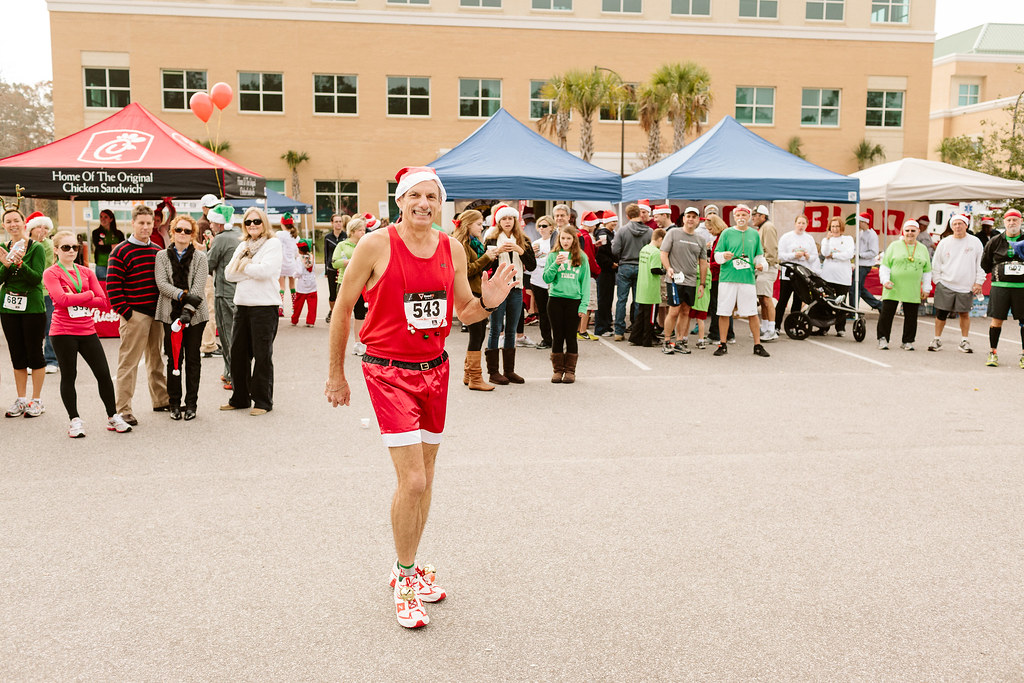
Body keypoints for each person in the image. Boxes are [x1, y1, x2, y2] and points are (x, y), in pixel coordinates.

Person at [324, 166, 516, 629]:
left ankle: (404, 566)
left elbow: (464, 311)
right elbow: (343, 306)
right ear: (400, 201)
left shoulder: (450, 246)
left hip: (435, 371)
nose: (424, 203)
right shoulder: (375, 244)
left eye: (432, 196)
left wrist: (488, 302)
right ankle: (406, 578)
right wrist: (336, 373)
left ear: (440, 202)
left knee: (426, 479)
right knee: (411, 481)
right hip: (388, 372)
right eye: (415, 196)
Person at [42, 230, 133, 436]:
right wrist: (88, 293)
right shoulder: (51, 273)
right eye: (66, 247)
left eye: (74, 247)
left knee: (103, 374)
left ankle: (113, 416)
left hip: (87, 330)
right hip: (63, 331)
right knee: (69, 375)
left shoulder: (86, 272)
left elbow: (102, 301)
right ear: (56, 250)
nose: (71, 251)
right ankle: (74, 420)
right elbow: (61, 300)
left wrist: (79, 296)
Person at [106, 204, 170, 426]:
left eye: (149, 223)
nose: (145, 227)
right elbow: (113, 287)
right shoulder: (121, 251)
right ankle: (123, 409)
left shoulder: (156, 251)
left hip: (156, 314)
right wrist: (127, 313)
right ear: (132, 223)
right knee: (129, 363)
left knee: (156, 360)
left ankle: (161, 400)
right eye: (141, 223)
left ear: (154, 225)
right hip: (135, 314)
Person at [220, 208, 282, 416]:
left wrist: (244, 267)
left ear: (264, 222)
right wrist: (250, 268)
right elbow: (229, 274)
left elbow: (266, 271)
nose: (252, 225)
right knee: (237, 354)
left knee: (262, 355)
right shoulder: (242, 245)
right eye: (248, 222)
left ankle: (263, 401)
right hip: (243, 306)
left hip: (265, 307)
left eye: (256, 221)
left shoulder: (272, 244)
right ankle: (240, 398)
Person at [155, 215, 209, 421]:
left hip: (195, 316)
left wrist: (187, 310)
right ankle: (174, 403)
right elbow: (162, 284)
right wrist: (183, 295)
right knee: (174, 359)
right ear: (172, 232)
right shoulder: (161, 256)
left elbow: (198, 286)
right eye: (179, 230)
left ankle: (192, 403)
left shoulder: (200, 257)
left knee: (193, 359)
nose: (183, 234)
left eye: (187, 231)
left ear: (192, 234)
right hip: (170, 315)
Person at [1, 207, 48, 417]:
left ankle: (36, 400)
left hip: (33, 307)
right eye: (8, 221)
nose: (13, 225)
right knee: (16, 354)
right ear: (4, 226)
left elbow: (36, 278)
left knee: (34, 353)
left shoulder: (35, 248)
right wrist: (6, 264)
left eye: (16, 221)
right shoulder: (3, 247)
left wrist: (18, 262)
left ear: (23, 223)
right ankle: (21, 399)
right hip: (9, 307)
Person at [483, 203, 536, 385]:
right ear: (498, 221)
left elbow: (532, 265)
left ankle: (509, 371)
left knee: (512, 330)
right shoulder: (490, 239)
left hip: (516, 288)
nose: (507, 221)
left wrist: (519, 250)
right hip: (497, 288)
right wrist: (496, 252)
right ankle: (493, 372)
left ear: (515, 221)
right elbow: (484, 266)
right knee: (496, 329)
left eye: (510, 218)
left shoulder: (523, 240)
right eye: (504, 218)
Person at [712, 204, 770, 358]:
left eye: (744, 215)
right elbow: (716, 255)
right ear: (734, 217)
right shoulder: (726, 233)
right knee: (724, 312)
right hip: (728, 278)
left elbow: (760, 257)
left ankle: (757, 345)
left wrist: (762, 266)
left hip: (747, 279)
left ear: (749, 217)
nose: (741, 218)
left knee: (752, 312)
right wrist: (723, 255)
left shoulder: (754, 234)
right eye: (738, 216)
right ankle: (722, 344)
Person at [452, 209, 497, 391]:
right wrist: (486, 257)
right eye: (479, 224)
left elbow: (478, 269)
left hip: (477, 291)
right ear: (468, 225)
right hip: (468, 294)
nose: (482, 226)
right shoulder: (461, 244)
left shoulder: (474, 243)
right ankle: (475, 378)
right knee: (477, 334)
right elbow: (466, 271)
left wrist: (489, 259)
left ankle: (469, 374)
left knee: (478, 333)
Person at [928, 213, 984, 354]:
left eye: (960, 224)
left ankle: (964, 341)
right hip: (945, 284)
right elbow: (936, 263)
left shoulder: (975, 242)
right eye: (955, 224)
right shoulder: (945, 242)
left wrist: (978, 282)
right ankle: (936, 339)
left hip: (966, 286)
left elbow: (981, 264)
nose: (957, 226)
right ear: (951, 226)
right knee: (941, 314)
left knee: (964, 314)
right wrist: (938, 281)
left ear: (966, 225)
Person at [876, 220, 932, 350]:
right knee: (887, 313)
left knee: (911, 316)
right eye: (907, 230)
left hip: (912, 288)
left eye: (913, 231)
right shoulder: (894, 246)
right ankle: (883, 338)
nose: (910, 233)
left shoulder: (922, 249)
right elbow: (885, 266)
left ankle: (908, 341)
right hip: (893, 286)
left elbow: (927, 271)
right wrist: (885, 280)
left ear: (918, 232)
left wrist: (926, 288)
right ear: (903, 231)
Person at [544, 225, 590, 382]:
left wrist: (583, 305)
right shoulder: (553, 256)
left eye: (568, 238)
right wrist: (556, 263)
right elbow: (546, 279)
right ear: (559, 239)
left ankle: (570, 371)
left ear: (574, 240)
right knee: (557, 336)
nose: (565, 241)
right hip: (555, 300)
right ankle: (557, 370)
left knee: (571, 336)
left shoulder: (582, 258)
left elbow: (585, 284)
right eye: (562, 238)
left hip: (574, 301)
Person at [660, 207, 708, 354]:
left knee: (686, 311)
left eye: (694, 216)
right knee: (674, 310)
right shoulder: (673, 233)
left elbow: (703, 263)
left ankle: (680, 341)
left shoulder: (700, 239)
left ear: (698, 220)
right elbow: (663, 253)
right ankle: (667, 341)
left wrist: (702, 284)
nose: (691, 219)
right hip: (674, 280)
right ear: (683, 218)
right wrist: (668, 268)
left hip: (691, 281)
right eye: (688, 216)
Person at [981, 208, 1024, 367]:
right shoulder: (995, 241)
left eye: (1015, 220)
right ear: (1004, 222)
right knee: (996, 321)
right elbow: (985, 263)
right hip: (1000, 287)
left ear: (1020, 221)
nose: (1012, 223)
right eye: (1009, 220)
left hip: (1022, 288)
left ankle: (1023, 356)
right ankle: (993, 353)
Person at [206, 205, 240, 391]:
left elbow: (209, 262)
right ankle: (229, 371)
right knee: (233, 334)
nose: (210, 224)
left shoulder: (221, 239)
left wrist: (206, 249)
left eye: (212, 221)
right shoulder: (237, 234)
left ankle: (234, 376)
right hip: (236, 292)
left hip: (224, 292)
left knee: (228, 336)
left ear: (220, 223)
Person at [611, 203, 652, 341]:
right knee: (638, 299)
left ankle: (619, 331)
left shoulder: (622, 230)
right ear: (640, 214)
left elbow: (615, 250)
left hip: (625, 265)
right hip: (642, 266)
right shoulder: (649, 231)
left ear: (627, 215)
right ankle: (636, 329)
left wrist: (622, 257)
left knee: (621, 299)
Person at [25, 211, 60, 373]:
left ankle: (51, 360)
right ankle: (34, 360)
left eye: (46, 227)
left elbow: (45, 269)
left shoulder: (49, 246)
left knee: (49, 327)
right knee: (32, 329)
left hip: (46, 292)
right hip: (28, 293)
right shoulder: (24, 244)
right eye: (38, 226)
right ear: (30, 229)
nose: (42, 230)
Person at [775, 213, 821, 331]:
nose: (801, 225)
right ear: (795, 224)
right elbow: (781, 255)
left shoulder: (809, 238)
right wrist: (793, 255)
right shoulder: (786, 237)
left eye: (803, 223)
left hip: (801, 274)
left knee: (797, 300)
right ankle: (776, 326)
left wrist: (807, 256)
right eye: (799, 223)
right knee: (783, 300)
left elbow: (815, 256)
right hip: (788, 274)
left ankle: (793, 326)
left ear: (807, 225)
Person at [330, 216, 368, 356]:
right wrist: (349, 262)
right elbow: (334, 263)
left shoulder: (364, 245)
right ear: (352, 231)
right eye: (360, 230)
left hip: (361, 284)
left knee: (360, 314)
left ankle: (358, 343)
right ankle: (339, 344)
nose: (363, 233)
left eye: (364, 230)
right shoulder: (342, 245)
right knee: (343, 314)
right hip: (344, 282)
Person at [819, 216, 856, 336]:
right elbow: (824, 253)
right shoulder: (826, 240)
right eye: (833, 226)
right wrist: (828, 241)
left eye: (837, 226)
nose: (835, 229)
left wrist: (834, 255)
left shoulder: (848, 239)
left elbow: (849, 254)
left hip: (842, 277)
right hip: (827, 276)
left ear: (841, 227)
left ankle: (840, 328)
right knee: (826, 302)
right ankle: (823, 327)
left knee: (840, 303)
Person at [703, 206, 734, 344]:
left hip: (720, 275)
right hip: (719, 274)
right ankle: (728, 334)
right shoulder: (720, 237)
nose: (710, 232)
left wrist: (710, 265)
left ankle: (717, 334)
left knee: (718, 306)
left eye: (710, 229)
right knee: (723, 306)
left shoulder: (723, 237)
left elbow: (725, 258)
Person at [631, 228, 666, 348]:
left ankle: (635, 337)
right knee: (650, 317)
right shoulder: (656, 252)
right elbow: (654, 270)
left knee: (641, 315)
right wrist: (664, 270)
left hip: (642, 286)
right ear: (660, 239)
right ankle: (647, 340)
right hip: (651, 289)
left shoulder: (644, 249)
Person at [751, 205, 780, 341]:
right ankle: (764, 327)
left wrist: (765, 264)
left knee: (767, 299)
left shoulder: (768, 227)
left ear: (763, 216)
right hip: (764, 267)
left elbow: (771, 249)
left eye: (755, 215)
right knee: (762, 299)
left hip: (767, 268)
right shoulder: (763, 228)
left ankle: (772, 329)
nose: (752, 218)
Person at [526, 215, 555, 349]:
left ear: (551, 228)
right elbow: (529, 264)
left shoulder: (555, 242)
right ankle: (546, 339)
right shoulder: (535, 243)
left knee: (554, 312)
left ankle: (558, 339)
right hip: (537, 280)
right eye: (540, 226)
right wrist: (531, 252)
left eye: (545, 226)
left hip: (552, 281)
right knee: (542, 312)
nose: (542, 228)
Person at [593, 210, 617, 337]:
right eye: (612, 221)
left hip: (609, 271)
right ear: (606, 221)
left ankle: (607, 325)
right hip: (604, 271)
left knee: (608, 298)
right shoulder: (603, 234)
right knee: (603, 299)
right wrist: (611, 263)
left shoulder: (611, 234)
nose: (615, 223)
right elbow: (600, 254)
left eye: (616, 221)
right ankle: (601, 327)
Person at [324, 212, 349, 323]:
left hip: (344, 268)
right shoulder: (328, 237)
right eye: (336, 222)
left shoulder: (346, 236)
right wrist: (326, 269)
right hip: (332, 268)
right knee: (332, 293)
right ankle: (333, 311)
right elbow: (326, 254)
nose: (338, 224)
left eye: (340, 221)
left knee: (342, 292)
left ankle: (340, 313)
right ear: (332, 223)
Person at [855, 212, 882, 311]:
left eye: (859, 221)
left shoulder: (872, 235)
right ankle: (878, 305)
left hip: (864, 265)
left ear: (864, 222)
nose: (858, 223)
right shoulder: (861, 233)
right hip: (860, 264)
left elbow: (874, 252)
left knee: (855, 288)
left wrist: (859, 255)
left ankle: (854, 311)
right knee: (859, 288)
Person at [276, 213, 300, 317]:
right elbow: (296, 252)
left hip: (281, 264)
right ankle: (294, 307)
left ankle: (280, 307)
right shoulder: (296, 236)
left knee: (281, 286)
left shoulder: (278, 234)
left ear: (282, 224)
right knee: (292, 286)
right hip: (291, 265)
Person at [91, 209, 125, 281]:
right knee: (103, 287)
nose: (102, 219)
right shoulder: (96, 233)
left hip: (116, 265)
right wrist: (115, 245)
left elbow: (123, 248)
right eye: (101, 217)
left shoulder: (119, 234)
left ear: (111, 219)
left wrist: (106, 245)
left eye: (105, 217)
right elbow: (101, 249)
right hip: (101, 265)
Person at [291, 241, 318, 327]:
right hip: (312, 284)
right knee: (312, 305)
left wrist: (294, 275)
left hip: (302, 285)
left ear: (300, 250)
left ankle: (294, 320)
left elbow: (299, 271)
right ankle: (310, 321)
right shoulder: (312, 257)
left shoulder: (299, 259)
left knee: (298, 304)